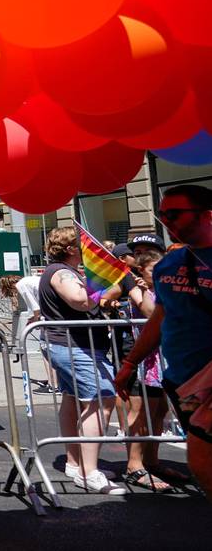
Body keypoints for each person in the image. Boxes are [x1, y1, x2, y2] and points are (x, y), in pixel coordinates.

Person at [117, 184, 212, 500]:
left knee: (201, 455)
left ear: (207, 215)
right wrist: (130, 363)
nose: (167, 221)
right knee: (202, 459)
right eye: (162, 215)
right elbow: (160, 316)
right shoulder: (168, 265)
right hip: (182, 380)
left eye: (175, 214)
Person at [33, 226, 125, 494]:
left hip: (73, 345)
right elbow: (79, 301)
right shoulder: (61, 272)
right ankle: (89, 471)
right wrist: (110, 290)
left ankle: (76, 464)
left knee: (73, 398)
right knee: (101, 399)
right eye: (84, 246)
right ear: (72, 249)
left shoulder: (64, 271)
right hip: (73, 346)